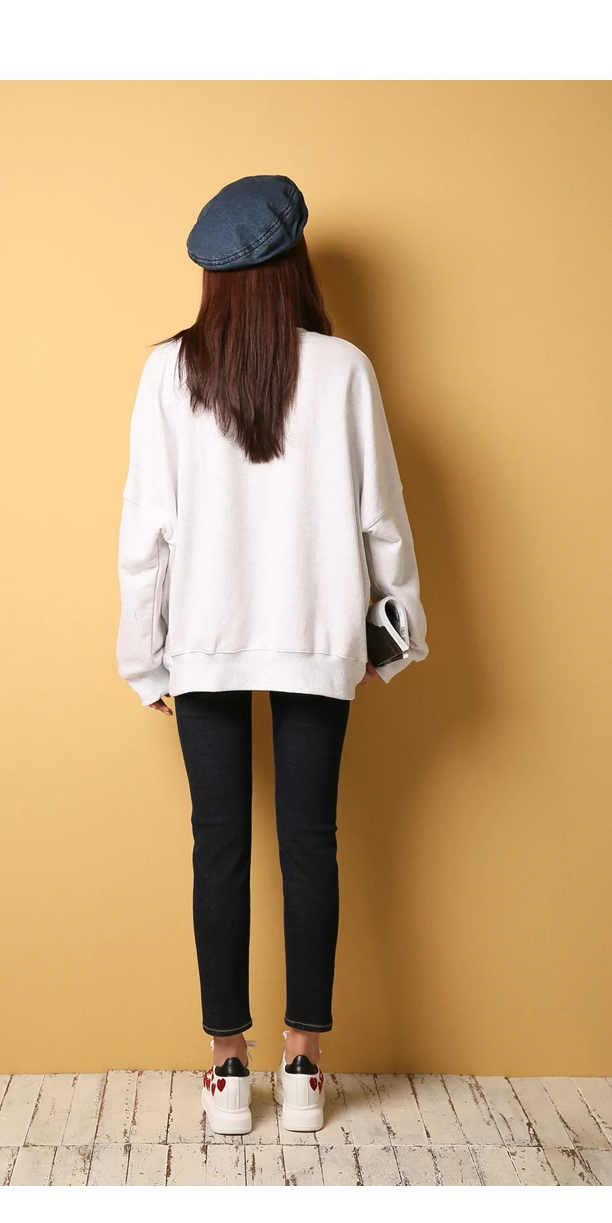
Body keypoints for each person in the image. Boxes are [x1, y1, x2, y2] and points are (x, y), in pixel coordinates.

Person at [116, 174, 428, 1135]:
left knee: (218, 844)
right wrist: (391, 638)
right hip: (314, 635)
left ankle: (225, 1069)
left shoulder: (166, 371)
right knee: (310, 842)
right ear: (294, 263)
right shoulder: (344, 368)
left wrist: (145, 658)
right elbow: (382, 517)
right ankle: (302, 1067)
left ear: (212, 275)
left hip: (202, 641)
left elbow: (145, 531)